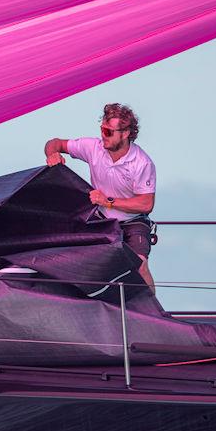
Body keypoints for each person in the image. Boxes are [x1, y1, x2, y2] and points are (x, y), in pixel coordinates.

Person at [43, 103, 157, 291]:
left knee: (140, 264)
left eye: (109, 131)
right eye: (102, 129)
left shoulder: (142, 163)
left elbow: (146, 204)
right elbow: (54, 143)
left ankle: (154, 316)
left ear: (125, 133)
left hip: (133, 222)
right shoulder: (93, 147)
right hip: (101, 220)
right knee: (89, 266)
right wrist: (52, 154)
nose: (103, 135)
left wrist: (108, 202)